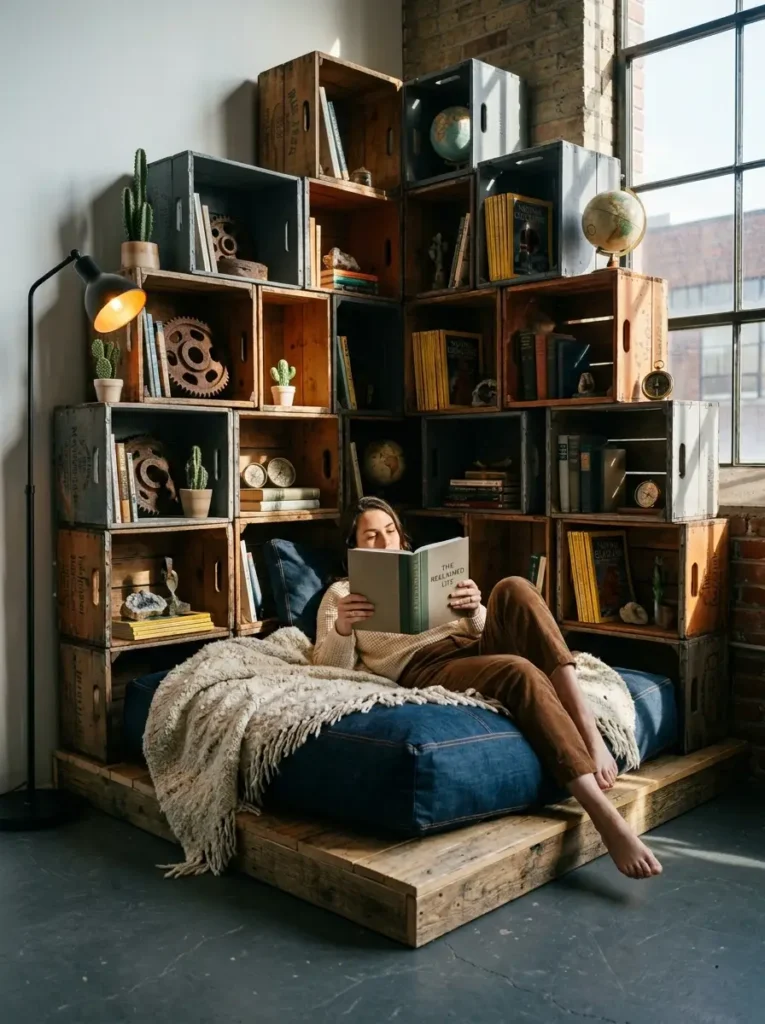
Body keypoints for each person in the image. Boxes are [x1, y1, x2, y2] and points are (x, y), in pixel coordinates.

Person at [313, 496, 662, 881]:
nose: (384, 542)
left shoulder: (420, 575)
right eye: (371, 536)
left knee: (514, 587)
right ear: (353, 548)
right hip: (426, 667)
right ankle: (604, 815)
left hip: (471, 647)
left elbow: (477, 631)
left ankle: (590, 733)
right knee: (519, 671)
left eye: (390, 532)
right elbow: (329, 670)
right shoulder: (340, 594)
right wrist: (343, 628)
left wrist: (474, 609)